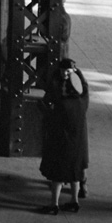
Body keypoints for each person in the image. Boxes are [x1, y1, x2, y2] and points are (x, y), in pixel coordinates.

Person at [38, 60, 90, 214]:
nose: (65, 74)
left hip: (61, 141)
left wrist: (43, 107)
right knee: (75, 174)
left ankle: (54, 205)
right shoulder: (83, 100)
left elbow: (50, 115)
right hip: (79, 142)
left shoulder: (62, 105)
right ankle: (74, 202)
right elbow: (84, 88)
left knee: (57, 175)